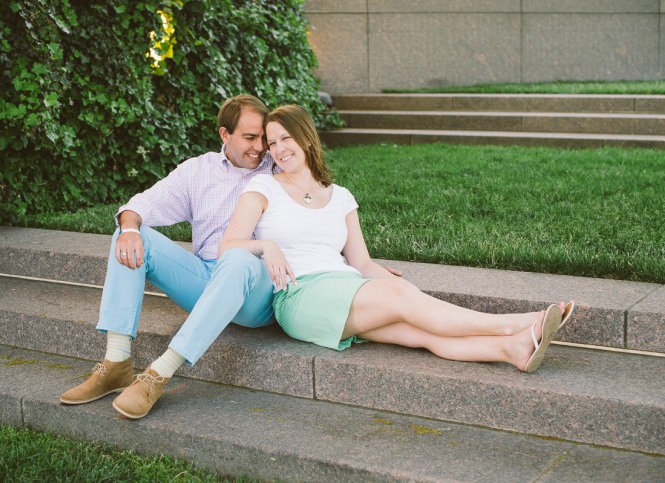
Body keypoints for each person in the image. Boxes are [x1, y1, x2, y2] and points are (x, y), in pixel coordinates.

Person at [60, 95, 400, 419]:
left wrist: (365, 268)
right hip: (206, 276)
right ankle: (116, 363)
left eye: (263, 139)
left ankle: (159, 374)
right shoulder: (198, 171)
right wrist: (131, 228)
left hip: (261, 290)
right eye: (250, 138)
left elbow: (318, 215)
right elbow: (138, 206)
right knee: (129, 235)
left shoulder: (277, 168)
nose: (261, 148)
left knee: (238, 260)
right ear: (225, 134)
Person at [219, 104, 574, 372]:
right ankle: (520, 323)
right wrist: (266, 245)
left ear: (306, 137)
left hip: (345, 286)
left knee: (419, 332)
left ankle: (512, 350)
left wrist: (393, 285)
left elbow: (360, 262)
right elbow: (228, 247)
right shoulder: (263, 186)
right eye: (272, 142)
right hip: (300, 296)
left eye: (286, 138)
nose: (279, 149)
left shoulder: (340, 195)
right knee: (406, 302)